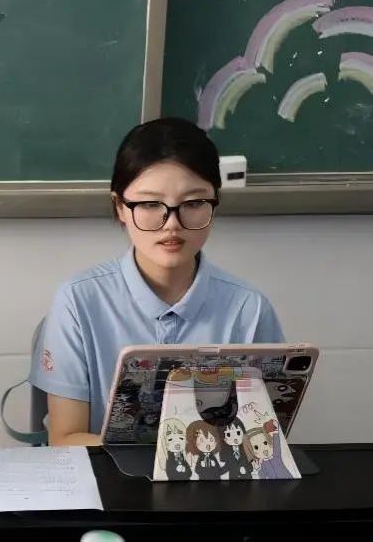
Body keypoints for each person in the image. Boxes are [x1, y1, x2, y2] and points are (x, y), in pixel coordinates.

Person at [30, 117, 284, 447]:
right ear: (120, 207)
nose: (172, 224)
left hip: (215, 476)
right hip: (107, 476)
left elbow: (261, 434)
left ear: (215, 204)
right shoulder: (78, 301)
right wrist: (169, 454)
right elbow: (65, 437)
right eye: (150, 204)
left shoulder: (249, 308)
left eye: (193, 203)